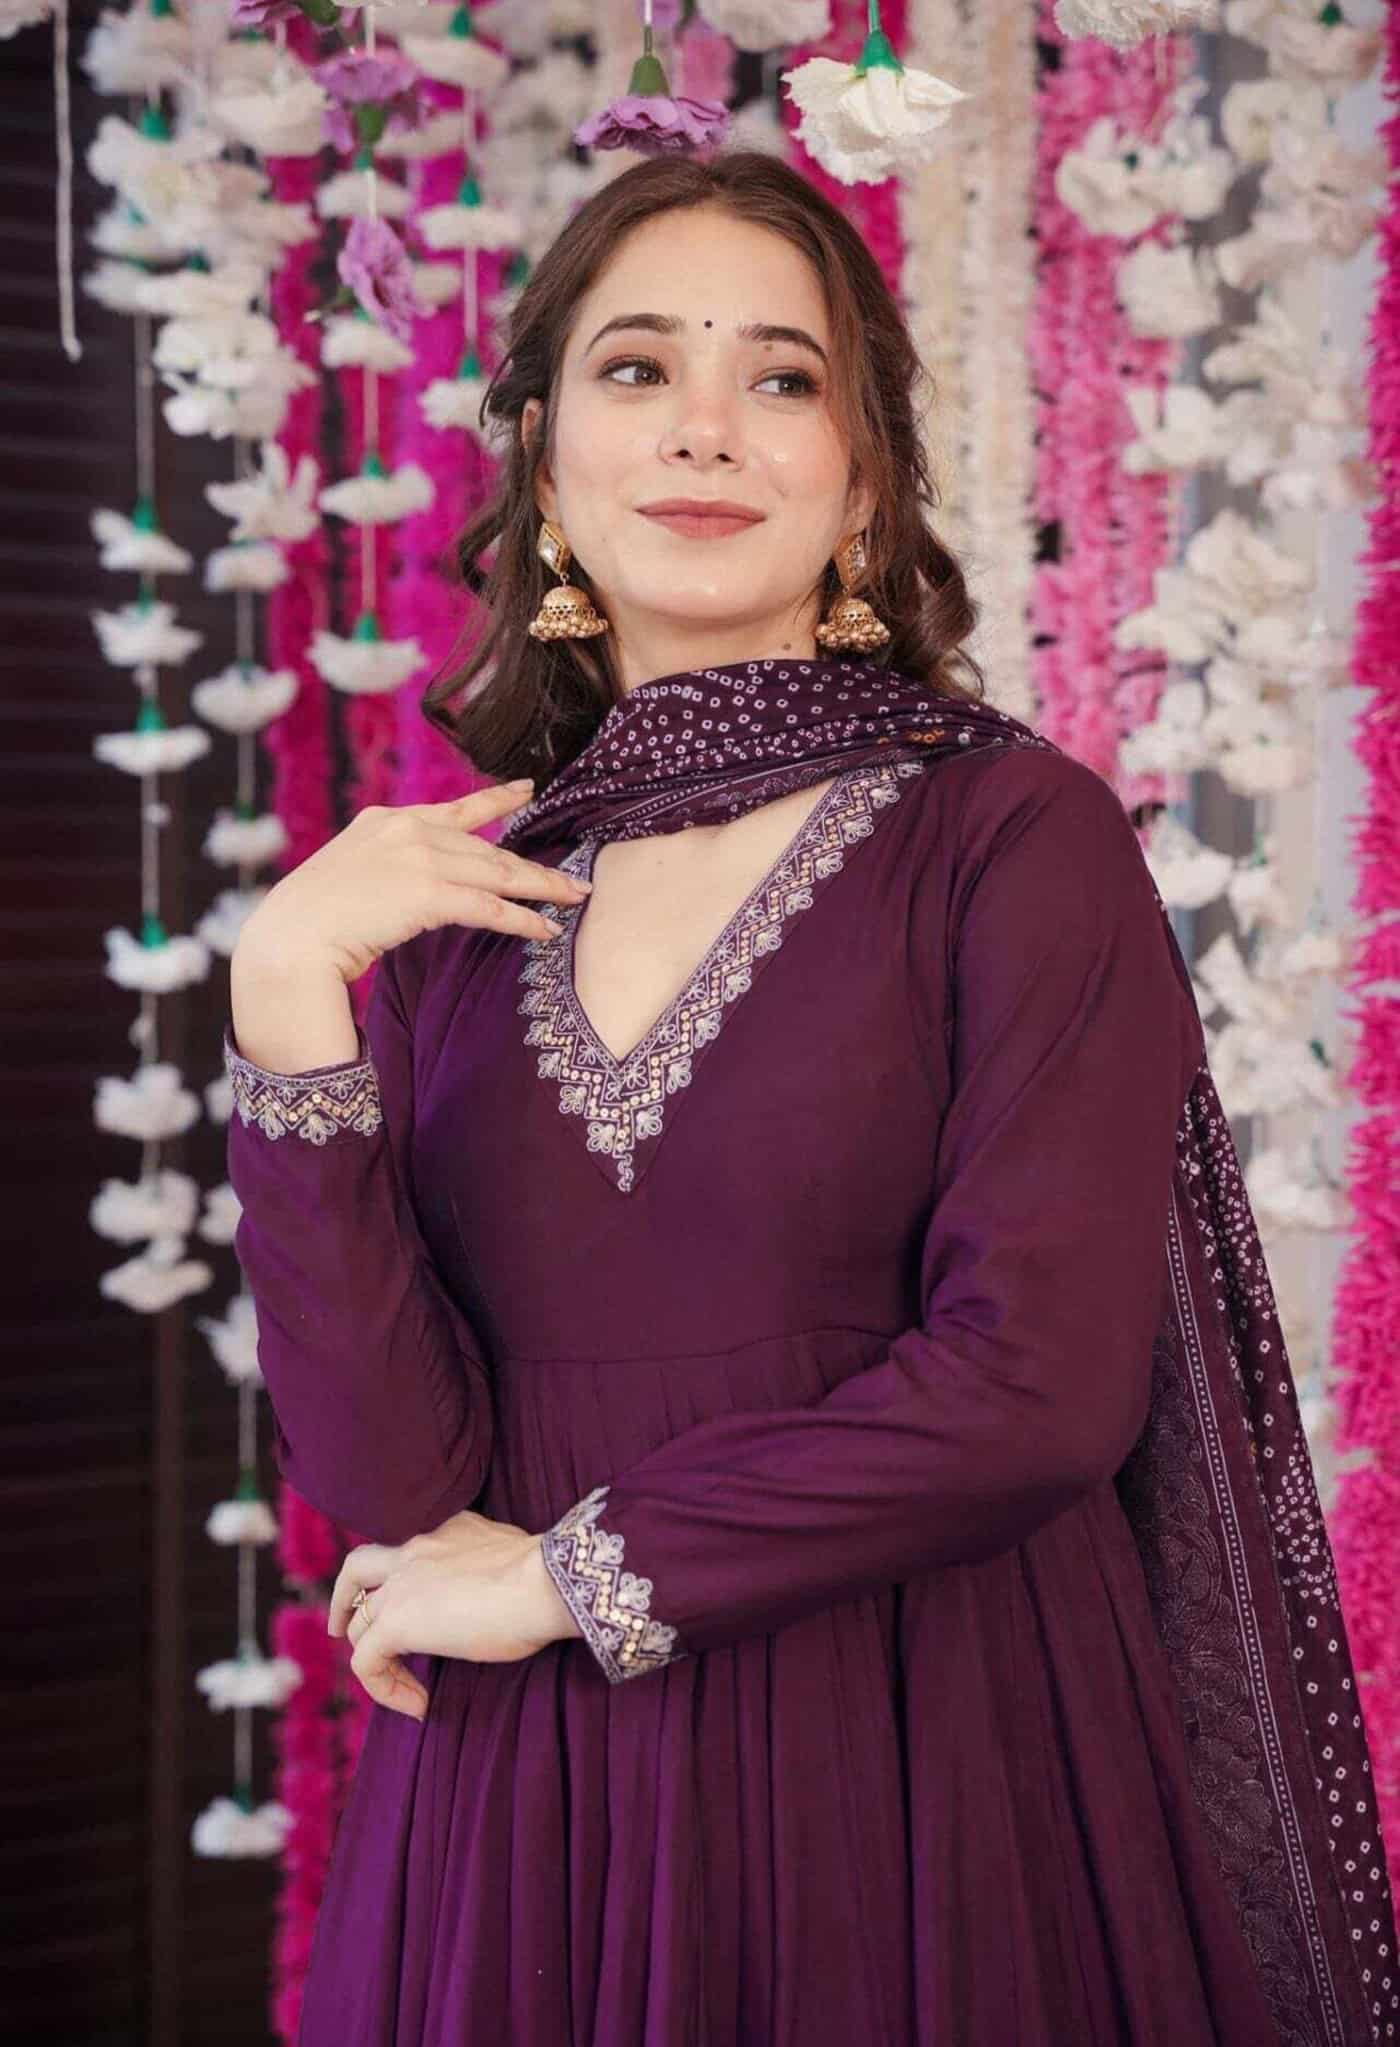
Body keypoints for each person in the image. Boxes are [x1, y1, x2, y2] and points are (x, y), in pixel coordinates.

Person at [223, 151, 1397, 2045]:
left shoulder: (1008, 835)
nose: (705, 426)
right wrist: (285, 1002)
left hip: (924, 1763)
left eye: (782, 377)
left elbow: (1038, 1386)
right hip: (535, 1823)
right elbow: (394, 1491)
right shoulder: (456, 908)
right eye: (636, 369)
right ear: (544, 470)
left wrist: (574, 1580)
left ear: (862, 484)